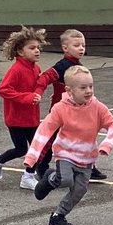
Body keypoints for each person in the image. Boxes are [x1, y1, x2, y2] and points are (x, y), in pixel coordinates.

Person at [26, 65, 113, 225]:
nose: (89, 91)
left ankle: (57, 217)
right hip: (65, 153)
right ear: (69, 90)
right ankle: (51, 179)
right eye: (83, 87)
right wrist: (32, 157)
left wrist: (107, 144)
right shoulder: (60, 108)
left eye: (91, 86)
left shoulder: (97, 107)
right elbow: (44, 131)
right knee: (66, 179)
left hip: (86, 158)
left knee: (79, 190)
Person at [30, 29, 106, 180]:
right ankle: (41, 166)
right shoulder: (62, 66)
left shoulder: (78, 67)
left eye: (83, 45)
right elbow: (45, 77)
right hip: (61, 111)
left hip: (78, 111)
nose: (81, 48)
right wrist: (38, 92)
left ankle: (88, 167)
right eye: (76, 45)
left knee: (83, 137)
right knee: (51, 140)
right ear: (65, 48)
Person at [0, 27, 47, 189]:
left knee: (37, 147)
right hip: (16, 119)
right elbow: (3, 90)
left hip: (32, 117)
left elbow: (39, 84)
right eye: (32, 48)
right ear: (20, 52)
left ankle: (28, 177)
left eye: (38, 48)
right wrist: (27, 97)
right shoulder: (16, 70)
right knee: (21, 149)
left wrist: (37, 92)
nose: (37, 51)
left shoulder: (36, 68)